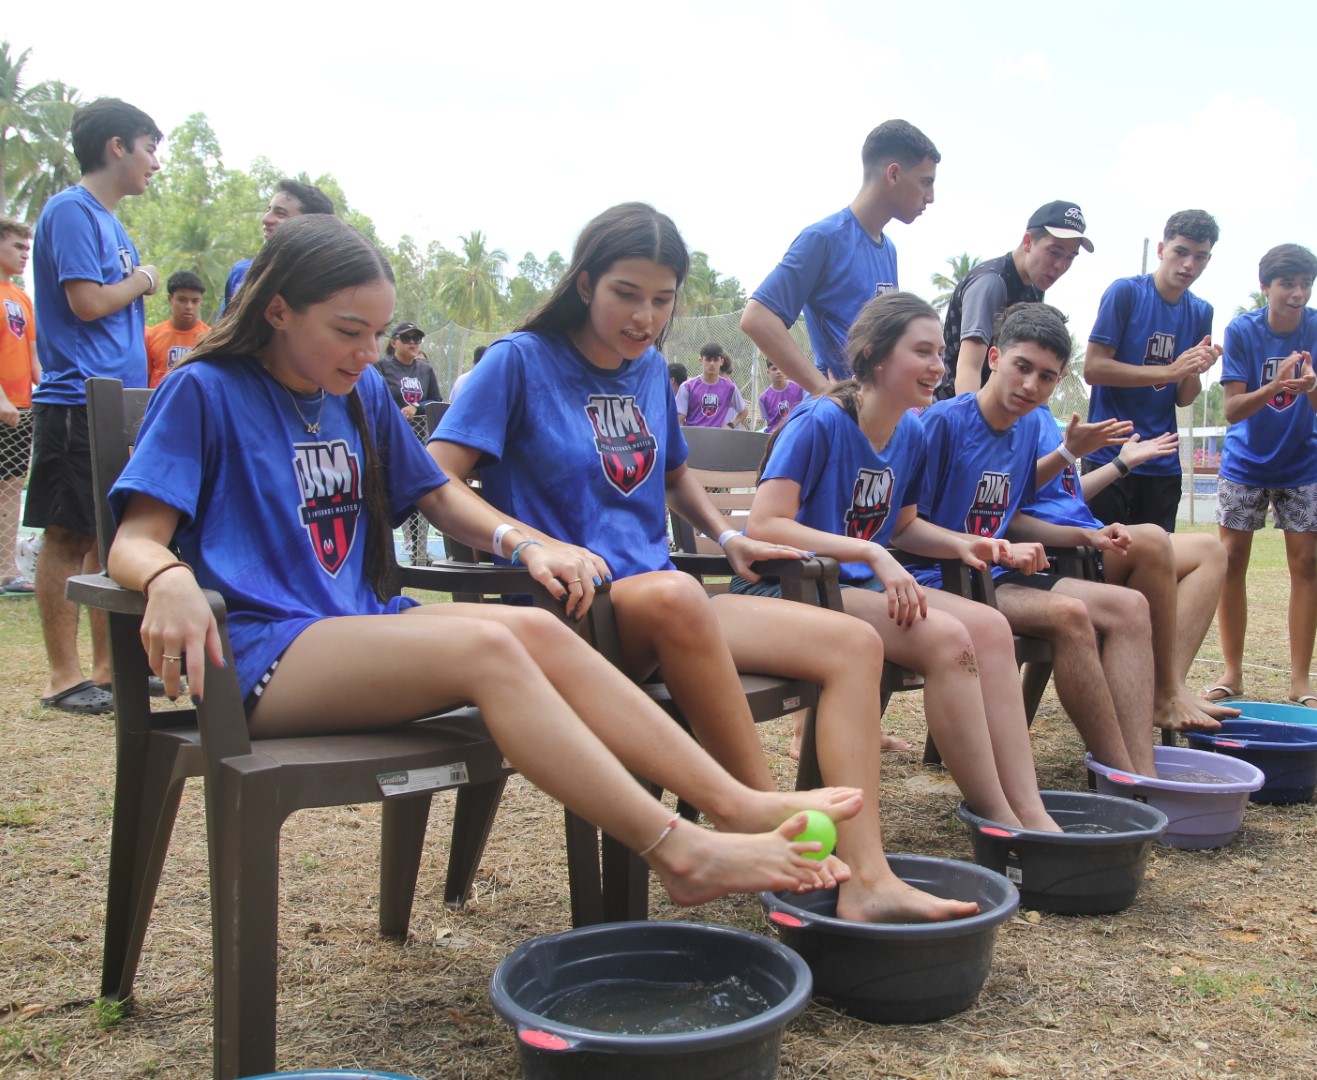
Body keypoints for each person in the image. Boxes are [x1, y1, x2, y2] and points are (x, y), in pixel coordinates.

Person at [107, 214, 862, 908]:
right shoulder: (204, 390)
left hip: (352, 629)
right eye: (348, 332)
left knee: (534, 632)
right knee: (491, 645)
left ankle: (736, 806)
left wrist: (522, 540)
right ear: (277, 310)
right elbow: (134, 539)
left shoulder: (358, 394)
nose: (370, 354)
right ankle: (679, 848)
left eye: (377, 333)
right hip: (255, 651)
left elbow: (436, 492)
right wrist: (166, 577)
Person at [430, 204, 978, 921]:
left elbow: (674, 475)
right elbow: (436, 479)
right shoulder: (519, 362)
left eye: (662, 300)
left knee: (853, 643)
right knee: (675, 594)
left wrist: (726, 536)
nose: (645, 318)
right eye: (626, 294)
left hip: (660, 608)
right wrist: (526, 541)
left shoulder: (650, 371)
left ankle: (868, 881)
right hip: (568, 615)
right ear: (585, 283)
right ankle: (764, 827)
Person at [745, 291, 1067, 832]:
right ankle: (998, 819)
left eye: (940, 352)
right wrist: (870, 551)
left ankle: (1028, 806)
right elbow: (765, 524)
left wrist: (966, 543)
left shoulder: (911, 431)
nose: (938, 365)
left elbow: (903, 525)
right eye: (922, 352)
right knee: (947, 639)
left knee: (989, 626)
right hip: (790, 588)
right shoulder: (820, 421)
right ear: (874, 354)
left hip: (855, 588)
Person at [912, 302, 1158, 775]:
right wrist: (989, 548)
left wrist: (1088, 536)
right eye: (1022, 367)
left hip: (994, 575)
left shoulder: (1026, 429)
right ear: (995, 358)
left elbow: (1015, 517)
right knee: (1069, 614)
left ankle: (1145, 771)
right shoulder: (943, 423)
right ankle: (1122, 776)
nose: (1030, 385)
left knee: (1130, 607)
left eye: (1046, 377)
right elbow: (902, 529)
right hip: (938, 576)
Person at [29, 98, 163, 715]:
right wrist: (145, 280)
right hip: (75, 397)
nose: (154, 163)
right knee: (68, 533)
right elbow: (86, 303)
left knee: (105, 537)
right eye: (149, 148)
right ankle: (63, 677)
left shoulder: (112, 223)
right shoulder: (71, 210)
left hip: (115, 401)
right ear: (116, 146)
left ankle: (111, 671)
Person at [1206, 244, 1317, 708]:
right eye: (1288, 284)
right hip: (1244, 465)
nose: (1298, 293)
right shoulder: (1243, 330)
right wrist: (1275, 385)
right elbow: (1231, 409)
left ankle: (1301, 680)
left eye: (1306, 284)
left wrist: (1313, 385)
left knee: (1305, 565)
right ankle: (1232, 673)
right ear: (1265, 286)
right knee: (1231, 563)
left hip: (1300, 466)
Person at [742, 120, 939, 394]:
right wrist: (824, 390)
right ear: (893, 174)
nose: (930, 197)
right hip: (840, 413)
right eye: (926, 182)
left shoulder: (889, 249)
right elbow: (757, 317)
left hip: (877, 408)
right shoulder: (824, 238)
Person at [1082, 209, 1223, 532]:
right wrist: (1170, 371)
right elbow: (1093, 368)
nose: (1188, 264)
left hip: (1162, 461)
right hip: (1109, 453)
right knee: (1103, 553)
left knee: (1157, 554)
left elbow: (1184, 398)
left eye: (1200, 257)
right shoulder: (1126, 292)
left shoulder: (1201, 311)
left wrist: (1193, 369)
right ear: (1162, 249)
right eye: (1181, 252)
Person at [939, 200, 1094, 399]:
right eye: (1054, 252)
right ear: (1028, 242)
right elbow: (969, 367)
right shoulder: (992, 282)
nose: (1060, 266)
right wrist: (971, 418)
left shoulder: (1034, 287)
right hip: (955, 406)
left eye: (1070, 257)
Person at [218, 178, 335, 316]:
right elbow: (223, 326)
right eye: (268, 210)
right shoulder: (241, 272)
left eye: (280, 214)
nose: (265, 219)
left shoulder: (329, 285)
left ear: (311, 226)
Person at [0, 217, 41, 594]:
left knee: (12, 485)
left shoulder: (22, 297)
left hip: (22, 407)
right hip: (2, 404)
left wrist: (46, 390)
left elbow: (32, 357)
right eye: (17, 246)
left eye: (27, 248)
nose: (24, 254)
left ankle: (6, 570)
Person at [145, 271, 210, 387]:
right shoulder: (152, 336)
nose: (189, 306)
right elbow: (145, 378)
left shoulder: (209, 339)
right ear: (170, 299)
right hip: (159, 397)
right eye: (182, 300)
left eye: (194, 301)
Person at [377, 322, 441, 419]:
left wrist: (416, 407)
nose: (412, 342)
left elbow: (436, 401)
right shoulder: (381, 366)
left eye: (417, 338)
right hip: (390, 425)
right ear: (393, 343)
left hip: (418, 428)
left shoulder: (426, 369)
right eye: (405, 338)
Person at [675, 343, 747, 428]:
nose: (712, 363)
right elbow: (678, 419)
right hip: (693, 435)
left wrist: (731, 425)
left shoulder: (730, 387)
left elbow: (744, 412)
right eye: (708, 359)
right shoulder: (687, 387)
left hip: (718, 435)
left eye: (716, 360)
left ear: (721, 362)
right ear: (701, 361)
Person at [758, 359, 807, 434]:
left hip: (796, 431)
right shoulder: (763, 398)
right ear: (768, 372)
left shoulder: (800, 389)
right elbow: (769, 424)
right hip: (775, 435)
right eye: (774, 369)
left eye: (781, 368)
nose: (778, 372)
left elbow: (806, 414)